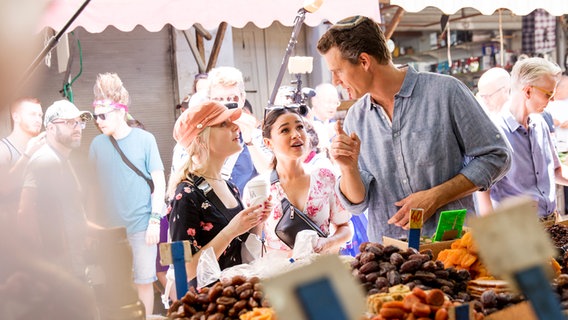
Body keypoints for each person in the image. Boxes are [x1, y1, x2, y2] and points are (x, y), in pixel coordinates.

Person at [316, 15, 511, 242]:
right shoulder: (355, 119)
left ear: (364, 61)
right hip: (389, 260)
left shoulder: (446, 92)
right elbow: (359, 205)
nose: (335, 81)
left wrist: (437, 196)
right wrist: (348, 168)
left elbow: (497, 156)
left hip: (451, 251)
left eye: (337, 71)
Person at [167, 100, 271, 285]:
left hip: (239, 298)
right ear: (200, 139)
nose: (235, 127)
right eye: (223, 124)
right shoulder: (184, 195)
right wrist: (231, 230)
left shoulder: (230, 187)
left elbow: (242, 255)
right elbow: (182, 272)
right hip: (210, 306)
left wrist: (257, 222)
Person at [89, 73, 166, 315]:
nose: (99, 121)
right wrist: (92, 228)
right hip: (110, 231)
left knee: (144, 281)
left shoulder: (145, 139)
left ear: (121, 111)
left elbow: (159, 182)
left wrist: (155, 220)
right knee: (116, 284)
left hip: (142, 225)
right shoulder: (96, 145)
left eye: (104, 115)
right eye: (95, 116)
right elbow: (93, 190)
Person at [476, 58, 568, 219]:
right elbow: (481, 191)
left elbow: (555, 171)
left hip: (552, 221)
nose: (552, 100)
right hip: (518, 229)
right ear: (528, 91)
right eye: (548, 94)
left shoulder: (540, 124)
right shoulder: (494, 133)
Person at [252, 106, 351, 254]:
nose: (296, 134)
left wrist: (328, 242)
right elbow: (253, 242)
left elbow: (345, 226)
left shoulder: (325, 177)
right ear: (268, 143)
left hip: (323, 270)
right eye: (285, 130)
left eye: (300, 127)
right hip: (280, 274)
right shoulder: (258, 188)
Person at [17, 99, 93, 278]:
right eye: (68, 122)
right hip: (59, 265)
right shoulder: (46, 160)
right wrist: (46, 260)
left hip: (71, 260)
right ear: (50, 128)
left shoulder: (62, 159)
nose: (77, 127)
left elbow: (70, 212)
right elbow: (24, 213)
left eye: (79, 122)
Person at [207, 66, 270, 193]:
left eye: (232, 99)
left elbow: (270, 174)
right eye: (218, 100)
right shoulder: (199, 135)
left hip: (251, 208)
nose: (225, 104)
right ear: (209, 100)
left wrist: (249, 141)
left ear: (242, 98)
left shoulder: (258, 136)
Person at [0, 97, 46, 219]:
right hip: (12, 231)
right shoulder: (4, 150)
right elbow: (4, 188)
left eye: (40, 115)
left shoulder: (40, 148)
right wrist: (28, 154)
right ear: (16, 117)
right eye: (32, 114)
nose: (38, 119)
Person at [310, 83, 341, 150]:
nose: (332, 106)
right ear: (314, 101)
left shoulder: (334, 125)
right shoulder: (306, 123)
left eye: (335, 102)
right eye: (328, 102)